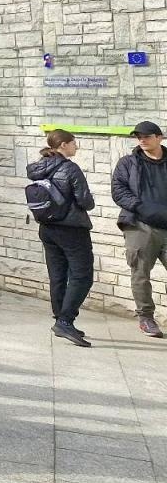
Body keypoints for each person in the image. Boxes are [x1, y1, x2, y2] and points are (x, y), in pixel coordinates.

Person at [28, 129, 95, 346]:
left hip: (47, 228)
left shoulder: (39, 168)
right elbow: (85, 201)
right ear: (64, 145)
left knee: (57, 275)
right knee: (82, 275)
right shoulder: (69, 168)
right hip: (72, 229)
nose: (76, 147)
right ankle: (65, 321)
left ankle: (60, 319)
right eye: (74, 143)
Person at [111, 120, 167, 337]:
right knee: (141, 273)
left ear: (159, 137)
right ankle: (146, 317)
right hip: (140, 225)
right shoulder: (128, 163)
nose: (142, 140)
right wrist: (141, 207)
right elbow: (119, 190)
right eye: (138, 137)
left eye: (147, 136)